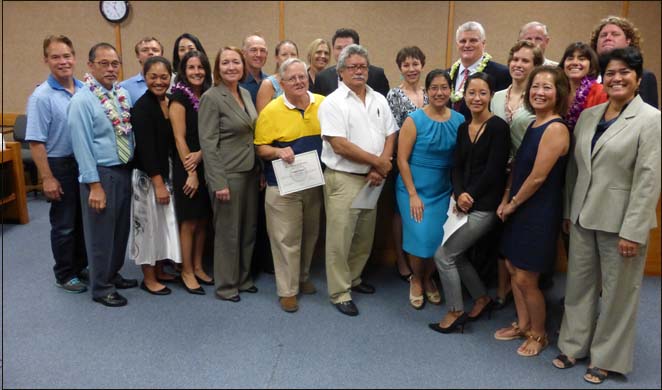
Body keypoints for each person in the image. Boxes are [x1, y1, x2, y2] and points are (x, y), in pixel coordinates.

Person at [554, 47, 661, 385]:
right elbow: (575, 169)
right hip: (584, 216)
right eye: (610, 73)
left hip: (622, 224)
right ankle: (573, 345)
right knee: (579, 286)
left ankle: (607, 357)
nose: (616, 78)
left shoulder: (651, 119)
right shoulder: (590, 115)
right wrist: (570, 212)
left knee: (618, 292)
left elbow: (649, 179)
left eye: (624, 73)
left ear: (638, 79)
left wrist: (635, 230)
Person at [493, 66, 570, 356]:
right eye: (535, 86)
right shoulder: (534, 123)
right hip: (518, 207)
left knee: (527, 277)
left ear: (559, 93)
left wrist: (512, 203)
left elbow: (537, 177)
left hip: (538, 212)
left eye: (547, 87)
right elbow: (518, 168)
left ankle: (539, 334)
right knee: (513, 268)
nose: (539, 92)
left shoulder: (556, 128)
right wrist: (505, 198)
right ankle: (523, 324)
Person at [318, 44, 397, 316]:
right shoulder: (332, 103)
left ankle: (353, 279)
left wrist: (380, 167)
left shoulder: (379, 99)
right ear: (340, 71)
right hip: (344, 178)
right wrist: (378, 163)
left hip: (372, 179)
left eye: (363, 66)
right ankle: (339, 292)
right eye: (352, 67)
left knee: (364, 236)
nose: (359, 71)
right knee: (340, 238)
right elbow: (339, 145)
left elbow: (390, 134)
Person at [429, 72, 510, 333]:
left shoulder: (498, 127)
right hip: (462, 202)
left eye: (482, 93)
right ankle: (482, 298)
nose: (476, 98)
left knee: (443, 256)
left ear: (490, 96)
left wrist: (469, 195)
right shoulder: (464, 126)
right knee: (456, 253)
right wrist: (459, 192)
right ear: (464, 96)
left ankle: (455, 311)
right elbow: (457, 165)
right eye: (471, 93)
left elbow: (494, 170)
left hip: (484, 206)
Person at [68, 42, 138, 307]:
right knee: (100, 235)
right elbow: (82, 146)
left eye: (115, 64)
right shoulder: (82, 101)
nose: (110, 69)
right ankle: (101, 287)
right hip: (100, 175)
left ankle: (112, 273)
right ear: (90, 66)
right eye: (104, 64)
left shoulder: (120, 95)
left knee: (120, 229)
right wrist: (94, 186)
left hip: (122, 171)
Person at [254, 58, 324, 313]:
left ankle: (302, 277)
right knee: (286, 239)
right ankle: (287, 290)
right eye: (292, 78)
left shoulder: (322, 104)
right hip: (282, 187)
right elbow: (260, 147)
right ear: (281, 83)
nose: (298, 82)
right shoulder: (271, 111)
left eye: (302, 77)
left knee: (310, 234)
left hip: (313, 184)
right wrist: (278, 151)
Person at [396, 69, 464, 310]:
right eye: (434, 88)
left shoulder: (459, 120)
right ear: (427, 91)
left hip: (443, 190)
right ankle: (416, 278)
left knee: (438, 238)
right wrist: (413, 194)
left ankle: (427, 278)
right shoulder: (414, 120)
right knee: (420, 235)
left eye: (444, 87)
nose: (439, 92)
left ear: (450, 90)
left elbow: (462, 159)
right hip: (413, 188)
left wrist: (457, 190)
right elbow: (402, 159)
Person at [26, 35, 88, 293]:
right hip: (58, 164)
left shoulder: (84, 89)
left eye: (66, 56)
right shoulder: (41, 96)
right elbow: (36, 142)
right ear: (46, 60)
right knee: (64, 223)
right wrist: (47, 177)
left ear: (74, 57)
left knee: (83, 220)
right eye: (56, 57)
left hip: (83, 163)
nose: (63, 62)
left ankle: (80, 265)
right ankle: (64, 274)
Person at [198, 46, 260, 302]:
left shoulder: (244, 93)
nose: (231, 67)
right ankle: (226, 286)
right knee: (227, 233)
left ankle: (243, 279)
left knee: (247, 229)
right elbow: (208, 143)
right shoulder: (211, 97)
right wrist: (218, 181)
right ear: (218, 67)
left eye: (236, 62)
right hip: (228, 175)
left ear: (243, 66)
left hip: (250, 172)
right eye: (226, 63)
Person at [490, 40, 543, 309]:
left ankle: (522, 291)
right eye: (515, 59)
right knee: (498, 233)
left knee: (516, 233)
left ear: (535, 67)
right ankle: (501, 291)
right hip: (496, 173)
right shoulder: (497, 96)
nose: (518, 65)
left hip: (525, 174)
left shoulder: (537, 98)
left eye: (526, 61)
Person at [129, 56, 181, 295]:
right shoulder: (142, 108)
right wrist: (158, 184)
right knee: (147, 228)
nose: (159, 81)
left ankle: (159, 269)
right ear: (144, 76)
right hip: (148, 178)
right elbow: (147, 150)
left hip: (165, 172)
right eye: (153, 77)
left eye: (163, 77)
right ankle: (148, 278)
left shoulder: (168, 101)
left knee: (161, 225)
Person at [169, 50, 214, 295]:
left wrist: (203, 156)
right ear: (183, 72)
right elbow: (179, 138)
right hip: (186, 167)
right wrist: (192, 172)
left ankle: (197, 266)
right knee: (188, 222)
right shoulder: (179, 97)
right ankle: (186, 270)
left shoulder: (208, 95)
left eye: (200, 67)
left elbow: (212, 135)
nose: (196, 72)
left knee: (203, 220)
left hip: (206, 162)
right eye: (191, 68)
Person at [386, 46, 429, 283]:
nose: (411, 69)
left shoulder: (432, 92)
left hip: (430, 163)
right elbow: (391, 131)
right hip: (404, 161)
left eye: (415, 64)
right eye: (406, 65)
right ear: (400, 68)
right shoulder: (393, 95)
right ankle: (402, 261)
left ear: (422, 65)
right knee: (401, 212)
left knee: (426, 210)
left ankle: (423, 262)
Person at [590, 15, 658, 108]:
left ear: (628, 41)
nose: (608, 38)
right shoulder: (588, 77)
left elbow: (649, 118)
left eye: (615, 34)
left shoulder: (644, 76)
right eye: (603, 35)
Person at [448, 21, 511, 122]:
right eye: (463, 41)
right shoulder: (448, 74)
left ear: (484, 43)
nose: (467, 45)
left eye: (473, 40)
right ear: (457, 45)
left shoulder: (501, 74)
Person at [312, 28, 390, 97]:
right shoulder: (322, 77)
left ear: (357, 49)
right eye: (338, 48)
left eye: (347, 48)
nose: (343, 52)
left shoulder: (377, 75)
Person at [559, 42, 607, 131]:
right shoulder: (558, 91)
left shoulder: (601, 92)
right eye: (570, 58)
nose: (575, 62)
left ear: (591, 65)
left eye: (581, 59)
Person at [255, 40, 298, 113]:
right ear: (276, 58)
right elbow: (262, 118)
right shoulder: (268, 84)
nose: (289, 58)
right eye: (284, 55)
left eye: (293, 54)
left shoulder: (301, 82)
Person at [119, 37, 163, 102]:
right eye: (145, 50)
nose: (150, 53)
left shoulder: (173, 83)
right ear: (137, 56)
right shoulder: (124, 87)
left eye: (155, 50)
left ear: (161, 55)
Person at [240, 34, 269, 104]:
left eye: (262, 50)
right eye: (253, 50)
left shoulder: (270, 82)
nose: (258, 54)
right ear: (243, 53)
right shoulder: (236, 82)